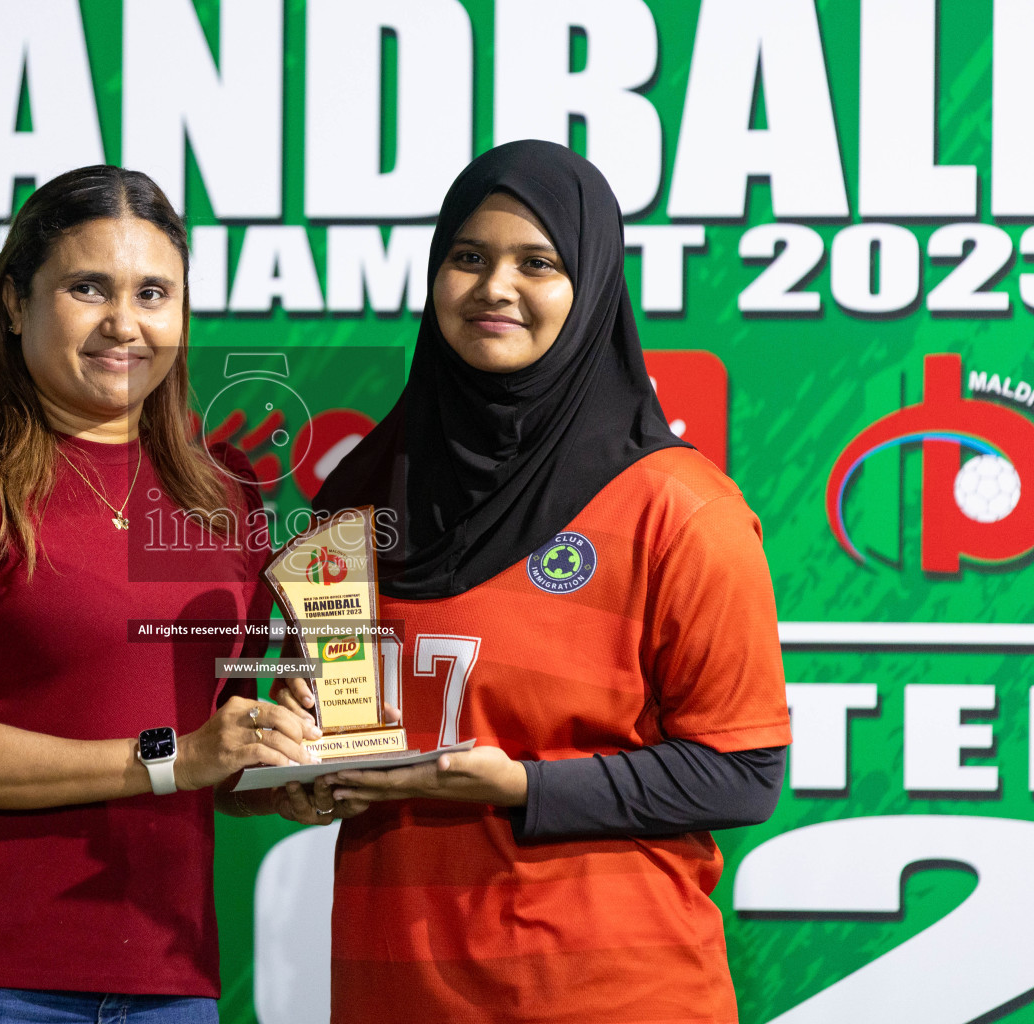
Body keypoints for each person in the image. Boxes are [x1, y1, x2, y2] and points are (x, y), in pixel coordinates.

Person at [272, 140, 792, 1022]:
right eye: (467, 258)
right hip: (395, 992)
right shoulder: (355, 498)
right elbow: (336, 722)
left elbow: (742, 772)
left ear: (590, 290)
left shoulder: (680, 508)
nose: (494, 287)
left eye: (537, 262)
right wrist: (300, 771)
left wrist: (521, 786)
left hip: (609, 997)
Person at [0, 165, 318, 1023]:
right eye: (87, 288)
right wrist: (175, 757)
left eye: (153, 292)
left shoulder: (220, 497)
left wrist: (281, 768)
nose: (125, 323)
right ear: (12, 302)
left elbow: (208, 741)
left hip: (170, 986)